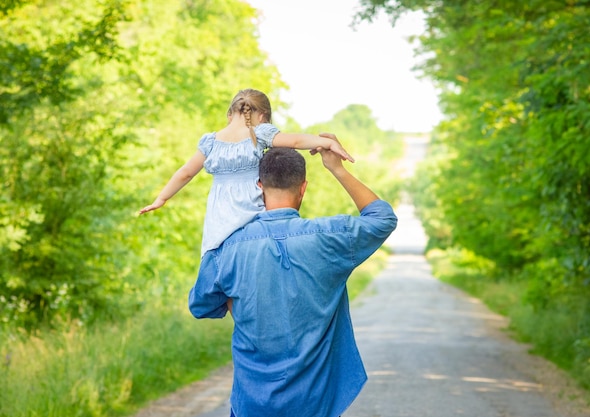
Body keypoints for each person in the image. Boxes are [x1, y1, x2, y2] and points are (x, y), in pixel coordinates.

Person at [188, 144, 398, 417]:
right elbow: (382, 218)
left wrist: (237, 301)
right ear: (303, 188)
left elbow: (200, 305)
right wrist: (336, 168)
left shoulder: (228, 248)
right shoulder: (329, 237)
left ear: (260, 186)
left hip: (251, 404)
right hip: (314, 404)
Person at [139, 88, 354, 258]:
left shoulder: (211, 141)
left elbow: (185, 173)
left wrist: (161, 198)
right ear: (262, 116)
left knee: (223, 261)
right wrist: (326, 141)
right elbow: (296, 141)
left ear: (230, 114)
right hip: (253, 214)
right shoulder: (259, 133)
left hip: (221, 219)